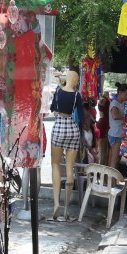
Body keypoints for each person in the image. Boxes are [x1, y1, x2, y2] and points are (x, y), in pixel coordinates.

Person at [48, 70, 82, 222]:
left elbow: (52, 108)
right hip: (73, 129)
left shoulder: (58, 91)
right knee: (70, 168)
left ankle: (56, 204)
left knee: (55, 164)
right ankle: (67, 208)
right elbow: (80, 116)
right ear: (76, 80)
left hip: (59, 127)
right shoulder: (77, 95)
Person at [108, 83, 127, 169]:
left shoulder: (123, 103)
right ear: (120, 93)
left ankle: (113, 180)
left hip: (119, 134)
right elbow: (115, 116)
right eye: (126, 94)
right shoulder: (115, 103)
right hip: (115, 135)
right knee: (114, 160)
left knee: (117, 159)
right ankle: (111, 181)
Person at [96, 96, 112, 164]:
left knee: (103, 151)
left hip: (103, 126)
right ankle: (104, 165)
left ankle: (103, 165)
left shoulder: (104, 102)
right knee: (105, 151)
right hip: (105, 126)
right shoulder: (106, 102)